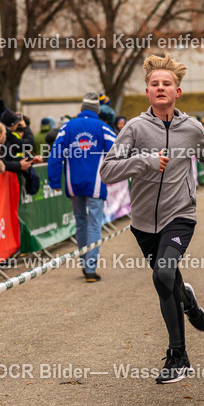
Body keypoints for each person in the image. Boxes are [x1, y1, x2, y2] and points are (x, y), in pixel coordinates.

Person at [100, 54, 204, 385]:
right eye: (154, 84)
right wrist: (144, 161)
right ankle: (187, 301)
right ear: (147, 92)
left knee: (162, 274)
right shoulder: (135, 128)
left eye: (167, 84)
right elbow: (107, 170)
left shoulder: (192, 129)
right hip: (143, 223)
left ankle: (178, 357)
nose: (160, 88)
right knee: (167, 279)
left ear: (177, 91)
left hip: (180, 215)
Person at [48, 92, 118, 282]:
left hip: (74, 183)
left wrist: (54, 181)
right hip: (96, 183)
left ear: (82, 108)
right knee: (94, 224)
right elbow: (118, 151)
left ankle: (84, 263)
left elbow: (55, 154)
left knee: (80, 223)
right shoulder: (103, 127)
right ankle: (90, 268)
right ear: (97, 109)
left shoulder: (67, 127)